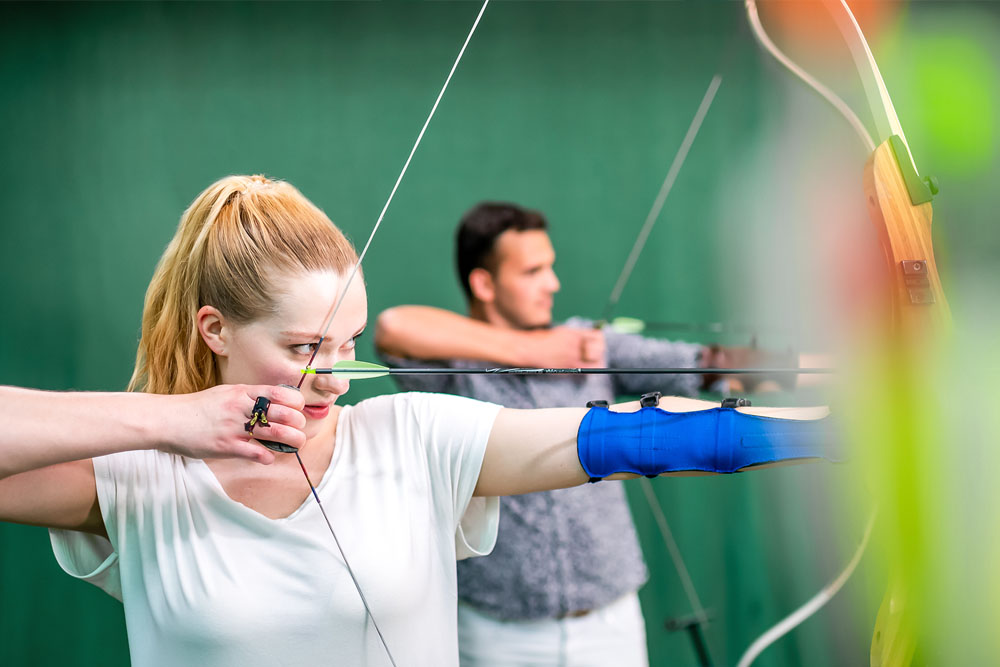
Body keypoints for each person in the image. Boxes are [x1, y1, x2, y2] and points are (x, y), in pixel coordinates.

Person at [0, 176, 833, 667]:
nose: (334, 372)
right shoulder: (136, 476)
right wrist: (174, 419)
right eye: (302, 345)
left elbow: (623, 434)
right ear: (215, 330)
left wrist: (830, 427)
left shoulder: (408, 436)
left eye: (348, 340)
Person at [374, 202, 793, 665]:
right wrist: (531, 349)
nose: (552, 283)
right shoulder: (454, 369)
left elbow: (710, 366)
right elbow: (394, 327)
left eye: (550, 267)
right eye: (533, 271)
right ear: (484, 284)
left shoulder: (587, 345)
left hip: (608, 619)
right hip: (498, 627)